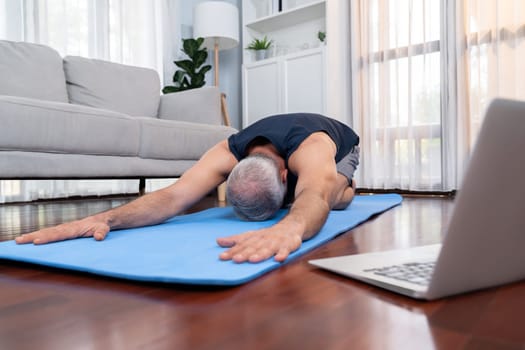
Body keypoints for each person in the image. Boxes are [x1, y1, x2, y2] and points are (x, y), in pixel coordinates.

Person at [15, 113, 360, 264]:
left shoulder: (313, 147)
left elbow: (313, 196)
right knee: (299, 196)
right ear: (230, 170)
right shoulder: (226, 151)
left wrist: (291, 226)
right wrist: (106, 218)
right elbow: (173, 196)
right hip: (288, 162)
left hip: (339, 147)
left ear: (285, 175)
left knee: (332, 197)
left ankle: (347, 188)